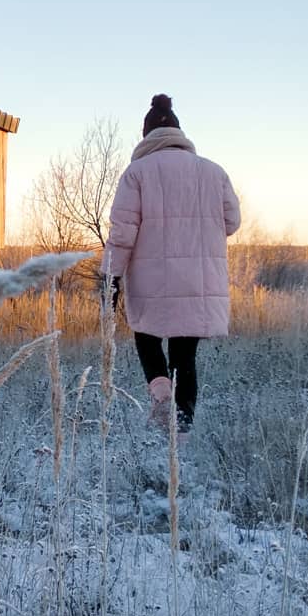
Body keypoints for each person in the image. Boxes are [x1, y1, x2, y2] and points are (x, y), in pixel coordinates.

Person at [101, 94, 240, 437]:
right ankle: (184, 423)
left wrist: (110, 279)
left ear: (146, 134)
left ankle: (162, 400)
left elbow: (122, 235)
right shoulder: (214, 172)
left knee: (146, 339)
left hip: (151, 282)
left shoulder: (136, 174)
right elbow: (232, 222)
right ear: (179, 132)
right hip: (197, 280)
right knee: (184, 352)